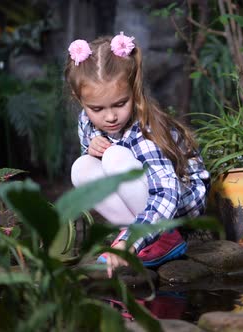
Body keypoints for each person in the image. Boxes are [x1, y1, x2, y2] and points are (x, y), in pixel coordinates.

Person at [65, 32, 209, 276]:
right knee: (82, 167)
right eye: (97, 108)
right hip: (143, 196)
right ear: (79, 100)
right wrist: (91, 150)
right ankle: (136, 235)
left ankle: (162, 238)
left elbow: (166, 191)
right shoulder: (87, 122)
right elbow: (97, 173)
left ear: (134, 91)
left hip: (179, 201)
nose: (110, 117)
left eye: (120, 104)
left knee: (114, 157)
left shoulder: (145, 130)